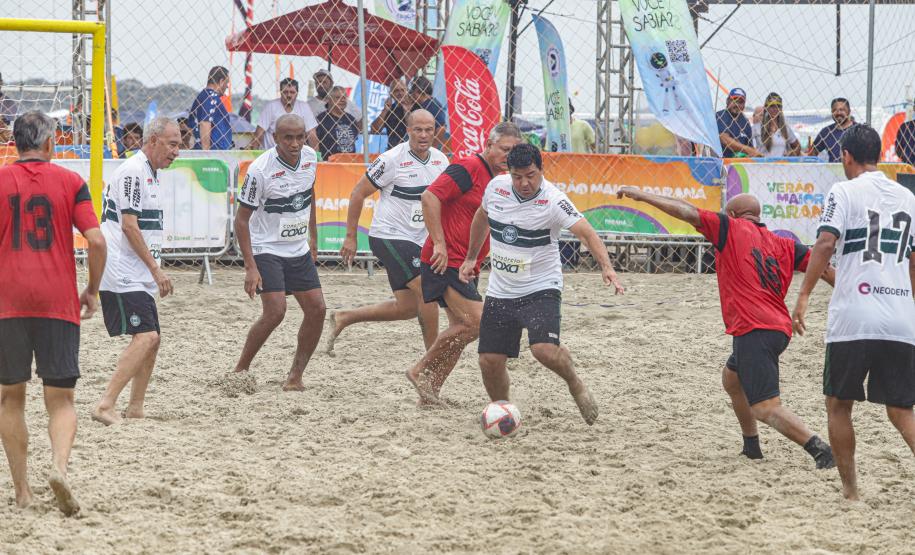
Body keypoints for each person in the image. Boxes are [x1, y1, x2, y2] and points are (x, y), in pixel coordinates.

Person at [617, 187, 836, 469]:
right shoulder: (785, 244)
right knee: (732, 380)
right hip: (776, 328)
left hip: (754, 328)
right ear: (758, 216)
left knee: (766, 407)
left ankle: (821, 450)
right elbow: (826, 270)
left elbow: (686, 211)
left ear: (732, 214)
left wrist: (644, 196)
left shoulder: (728, 227)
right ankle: (751, 447)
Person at [792, 124, 915, 500]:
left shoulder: (843, 191)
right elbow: (913, 261)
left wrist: (804, 295)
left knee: (838, 404)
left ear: (846, 155)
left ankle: (850, 491)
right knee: (902, 410)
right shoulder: (908, 197)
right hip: (899, 316)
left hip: (853, 317)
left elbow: (826, 242)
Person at [459, 144, 623, 424]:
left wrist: (607, 268)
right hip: (501, 290)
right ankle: (502, 410)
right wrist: (471, 257)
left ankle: (575, 383)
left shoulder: (553, 200)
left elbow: (587, 232)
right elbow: (482, 218)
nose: (524, 183)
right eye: (517, 176)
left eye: (531, 176)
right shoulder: (496, 188)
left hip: (541, 287)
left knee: (543, 351)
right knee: (489, 360)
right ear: (508, 173)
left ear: (541, 170)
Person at [0, 110, 107, 515]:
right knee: (61, 400)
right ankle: (59, 468)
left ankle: (23, 492)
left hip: (7, 301)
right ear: (50, 144)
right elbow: (96, 242)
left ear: (15, 143)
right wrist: (92, 290)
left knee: (11, 398)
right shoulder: (71, 182)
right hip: (57, 302)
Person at [406, 122, 523, 405]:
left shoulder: (501, 181)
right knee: (479, 323)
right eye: (505, 149)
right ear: (489, 144)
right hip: (445, 260)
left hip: (467, 264)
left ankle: (430, 391)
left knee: (461, 329)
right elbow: (430, 196)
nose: (509, 156)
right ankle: (419, 370)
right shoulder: (469, 166)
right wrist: (440, 244)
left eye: (514, 151)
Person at [328, 110, 448, 355]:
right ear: (408, 130)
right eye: (418, 130)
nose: (424, 135)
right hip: (388, 236)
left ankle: (344, 317)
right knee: (428, 291)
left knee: (407, 307)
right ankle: (433, 358)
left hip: (418, 240)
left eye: (429, 130)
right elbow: (357, 193)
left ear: (435, 131)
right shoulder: (391, 159)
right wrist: (350, 237)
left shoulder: (440, 160)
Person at [92, 117, 180, 426]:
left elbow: (143, 228)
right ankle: (105, 404)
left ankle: (136, 407)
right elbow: (129, 226)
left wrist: (154, 267)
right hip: (120, 269)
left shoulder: (151, 173)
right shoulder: (133, 171)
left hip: (137, 270)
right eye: (173, 144)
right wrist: (156, 269)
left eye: (180, 144)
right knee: (145, 337)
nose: (177, 151)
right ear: (153, 141)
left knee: (154, 339)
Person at [233, 114, 326, 391]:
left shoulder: (310, 158)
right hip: (266, 247)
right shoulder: (259, 170)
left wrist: (313, 237)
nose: (296, 143)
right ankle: (241, 369)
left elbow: (310, 197)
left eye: (301, 136)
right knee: (276, 312)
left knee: (318, 309)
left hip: (297, 248)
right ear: (275, 138)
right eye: (288, 137)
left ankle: (295, 377)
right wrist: (250, 266)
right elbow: (241, 220)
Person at [249, 78, 319, 151]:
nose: (288, 95)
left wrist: (316, 157)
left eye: (292, 92)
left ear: (297, 93)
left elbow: (312, 136)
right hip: (272, 154)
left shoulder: (304, 107)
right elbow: (259, 134)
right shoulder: (271, 106)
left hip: (296, 154)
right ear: (280, 92)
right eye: (285, 92)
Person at [189, 66, 233, 150]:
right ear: (221, 81)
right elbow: (205, 123)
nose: (227, 87)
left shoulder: (203, 96)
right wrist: (206, 153)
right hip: (214, 153)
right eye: (227, 83)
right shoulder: (211, 97)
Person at [716, 88, 763, 158]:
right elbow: (724, 139)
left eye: (740, 102)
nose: (737, 104)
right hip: (721, 163)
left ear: (744, 105)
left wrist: (754, 153)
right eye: (734, 100)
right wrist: (747, 150)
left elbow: (750, 147)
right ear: (727, 101)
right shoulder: (720, 115)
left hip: (740, 165)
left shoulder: (745, 122)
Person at [316, 86, 360, 159]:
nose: (342, 100)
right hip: (329, 164)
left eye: (344, 97)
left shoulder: (351, 119)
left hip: (349, 164)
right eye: (338, 97)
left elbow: (354, 139)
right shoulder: (321, 119)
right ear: (329, 100)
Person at [752, 92, 801, 157]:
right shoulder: (756, 128)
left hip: (781, 166)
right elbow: (746, 146)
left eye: (778, 106)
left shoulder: (785, 128)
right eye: (772, 106)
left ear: (781, 108)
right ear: (766, 108)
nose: (775, 109)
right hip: (762, 166)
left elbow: (797, 146)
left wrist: (791, 155)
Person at [370, 78, 413, 150]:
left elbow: (413, 128)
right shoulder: (389, 110)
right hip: (393, 151)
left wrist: (407, 111)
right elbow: (374, 130)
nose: (400, 93)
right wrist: (385, 110)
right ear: (391, 94)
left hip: (411, 150)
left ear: (406, 92)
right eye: (396, 91)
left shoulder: (414, 107)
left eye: (402, 90)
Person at [809, 97, 855, 162]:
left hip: (856, 171)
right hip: (833, 170)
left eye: (842, 110)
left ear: (849, 111)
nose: (838, 113)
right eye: (834, 110)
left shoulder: (859, 130)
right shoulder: (826, 132)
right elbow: (812, 154)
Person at [409, 76, 448, 151]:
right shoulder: (417, 105)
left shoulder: (433, 105)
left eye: (412, 92)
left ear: (418, 90)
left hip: (429, 149)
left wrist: (431, 148)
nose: (411, 95)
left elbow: (441, 128)